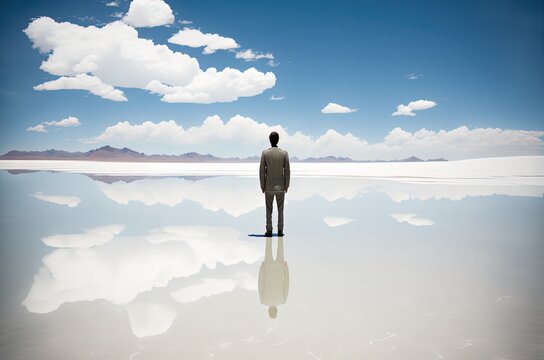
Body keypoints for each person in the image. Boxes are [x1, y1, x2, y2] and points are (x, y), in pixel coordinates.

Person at [259, 131, 290, 237]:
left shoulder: (265, 153)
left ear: (269, 140)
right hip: (281, 187)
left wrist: (262, 185)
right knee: (280, 210)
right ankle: (280, 230)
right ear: (278, 140)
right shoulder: (284, 153)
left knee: (269, 209)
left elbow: (262, 171)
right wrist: (287, 185)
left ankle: (269, 230)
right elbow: (287, 171)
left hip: (268, 187)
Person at [258, 237, 289, 319]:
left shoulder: (283, 300)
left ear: (276, 310)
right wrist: (262, 268)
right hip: (268, 269)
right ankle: (269, 227)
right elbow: (260, 283)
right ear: (268, 311)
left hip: (280, 269)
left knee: (280, 247)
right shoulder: (263, 300)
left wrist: (286, 269)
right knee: (268, 247)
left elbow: (286, 283)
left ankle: (280, 227)